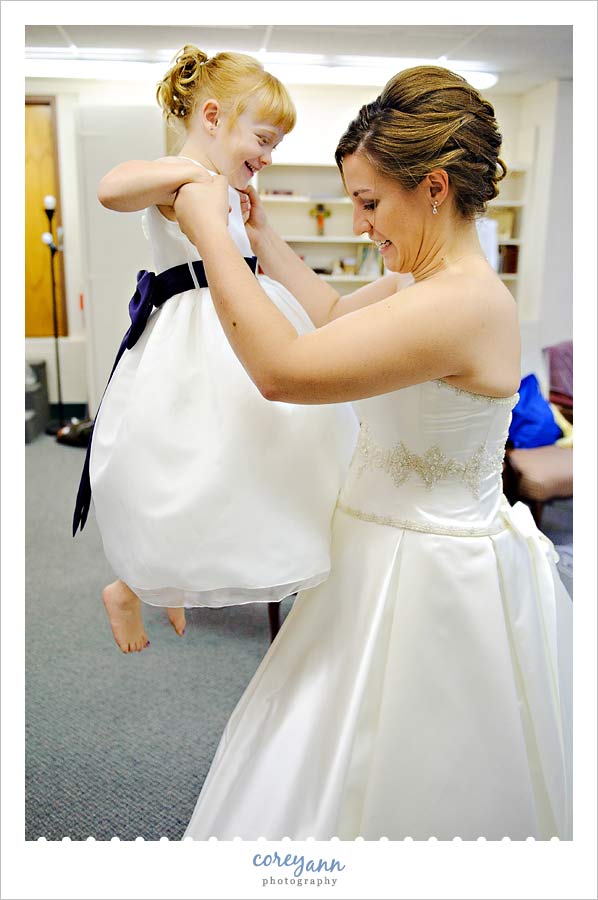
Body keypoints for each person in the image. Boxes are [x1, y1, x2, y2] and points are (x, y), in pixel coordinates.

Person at [174, 66, 572, 840]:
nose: (361, 225)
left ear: (432, 187)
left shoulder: (458, 304)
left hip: (422, 570)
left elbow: (284, 371)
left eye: (369, 202)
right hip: (375, 544)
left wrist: (210, 238)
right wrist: (259, 235)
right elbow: (325, 316)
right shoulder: (422, 281)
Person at [73, 45, 358, 653]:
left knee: (242, 469)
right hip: (194, 339)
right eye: (262, 138)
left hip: (244, 323)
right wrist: (187, 176)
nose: (267, 156)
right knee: (182, 469)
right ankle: (131, 586)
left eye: (276, 145)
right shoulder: (181, 178)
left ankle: (170, 581)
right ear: (211, 117)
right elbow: (110, 188)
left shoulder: (226, 188)